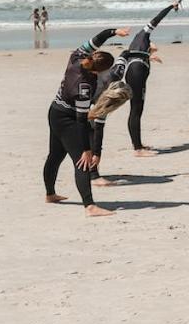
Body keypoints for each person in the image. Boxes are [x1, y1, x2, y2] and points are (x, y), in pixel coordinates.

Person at [44, 28, 128, 216]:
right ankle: (90, 206)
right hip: (67, 119)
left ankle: (50, 194)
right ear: (102, 70)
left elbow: (96, 39)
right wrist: (87, 149)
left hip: (54, 111)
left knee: (55, 156)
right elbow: (81, 120)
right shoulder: (85, 86)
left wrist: (114, 32)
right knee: (82, 162)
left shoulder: (76, 57)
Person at [90, 2, 181, 174]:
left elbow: (140, 54)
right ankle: (137, 148)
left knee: (137, 109)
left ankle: (138, 144)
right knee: (136, 109)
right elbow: (156, 19)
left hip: (137, 71)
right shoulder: (143, 36)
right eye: (152, 44)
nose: (154, 45)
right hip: (137, 72)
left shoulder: (142, 51)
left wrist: (150, 57)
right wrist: (171, 6)